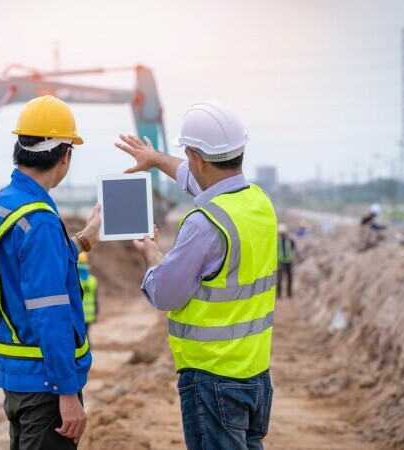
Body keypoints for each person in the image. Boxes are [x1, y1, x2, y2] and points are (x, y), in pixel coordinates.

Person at [115, 101, 277, 450]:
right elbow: (195, 179)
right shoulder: (259, 204)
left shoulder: (205, 225)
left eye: (188, 156)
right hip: (255, 375)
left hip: (213, 380)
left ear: (198, 158)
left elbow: (165, 294)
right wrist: (157, 159)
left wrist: (152, 255)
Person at [0, 95, 102, 449]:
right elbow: (49, 313)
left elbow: (25, 273)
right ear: (65, 156)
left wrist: (82, 241)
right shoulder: (42, 221)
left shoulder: (1, 205)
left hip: (17, 377)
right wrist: (67, 393)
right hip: (46, 387)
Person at [77, 253, 99, 336]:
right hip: (89, 315)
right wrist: (96, 312)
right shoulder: (92, 280)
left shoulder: (75, 280)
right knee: (86, 336)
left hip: (78, 314)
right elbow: (95, 299)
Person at [277, 224, 299, 299]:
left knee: (289, 278)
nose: (282, 234)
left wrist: (297, 257)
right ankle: (278, 295)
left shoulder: (290, 241)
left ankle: (289, 294)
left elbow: (294, 249)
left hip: (288, 262)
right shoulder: (278, 241)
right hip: (280, 262)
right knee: (279, 279)